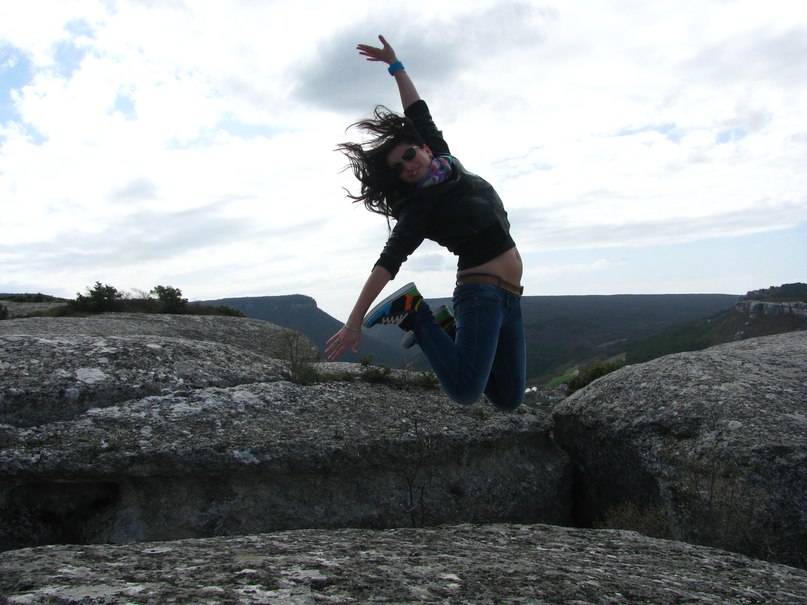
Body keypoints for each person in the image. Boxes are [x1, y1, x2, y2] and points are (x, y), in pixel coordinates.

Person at [326, 35, 526, 411]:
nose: (407, 166)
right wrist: (354, 320)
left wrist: (395, 65)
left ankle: (446, 329)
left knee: (509, 398)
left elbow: (418, 111)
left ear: (425, 148)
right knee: (466, 390)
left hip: (511, 296)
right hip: (480, 295)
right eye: (399, 169)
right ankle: (415, 313)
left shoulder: (447, 162)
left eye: (408, 155)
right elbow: (388, 261)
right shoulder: (420, 206)